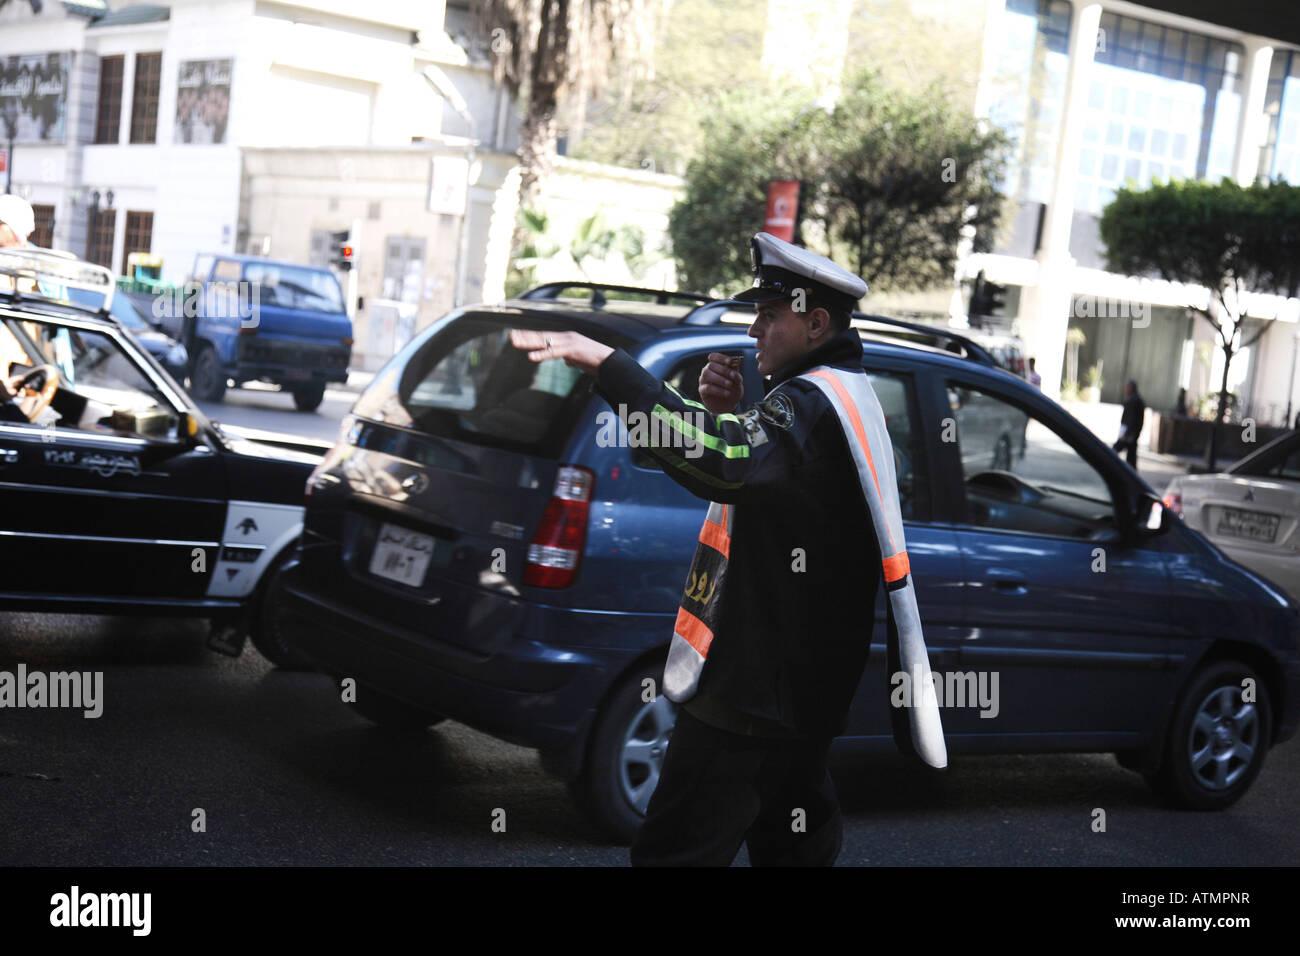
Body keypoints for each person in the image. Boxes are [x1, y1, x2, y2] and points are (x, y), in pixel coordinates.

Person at [509, 232, 946, 866]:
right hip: (796, 697)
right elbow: (760, 471)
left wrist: (609, 364)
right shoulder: (837, 396)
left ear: (816, 323)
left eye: (770, 316)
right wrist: (728, 410)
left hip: (751, 702)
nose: (755, 333)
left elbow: (725, 462)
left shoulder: (814, 403)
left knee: (673, 856)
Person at [1113, 378, 1145, 470]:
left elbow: (1132, 420)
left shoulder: (1134, 401)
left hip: (1129, 434)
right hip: (1132, 434)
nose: (1125, 389)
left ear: (1131, 388)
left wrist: (1126, 434)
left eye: (1126, 387)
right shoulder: (1136, 400)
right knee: (1131, 458)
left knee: (1115, 451)